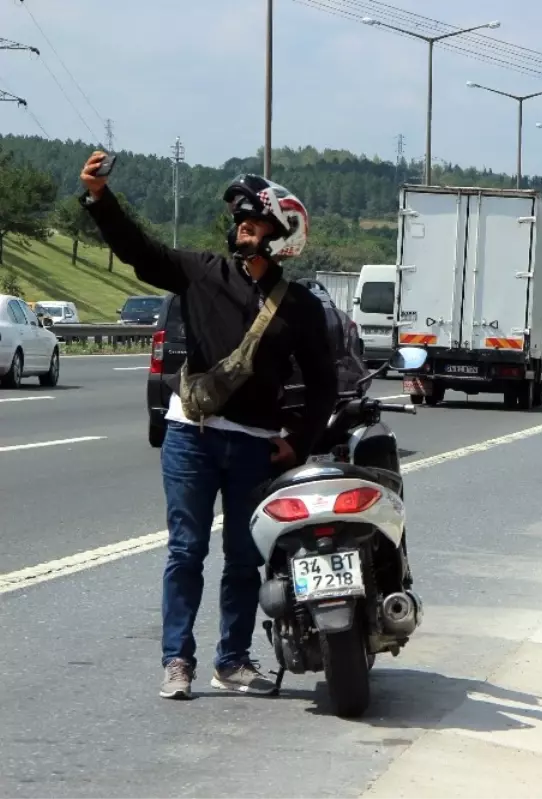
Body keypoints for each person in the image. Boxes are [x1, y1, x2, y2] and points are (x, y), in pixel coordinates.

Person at [79, 152, 339, 700]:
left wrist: (297, 443)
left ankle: (233, 660)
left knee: (244, 558)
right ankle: (177, 660)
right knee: (186, 551)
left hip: (254, 448)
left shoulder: (300, 308)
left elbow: (323, 385)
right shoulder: (199, 272)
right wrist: (100, 199)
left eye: (255, 222)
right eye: (240, 222)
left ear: (283, 234)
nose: (243, 228)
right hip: (189, 438)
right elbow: (138, 250)